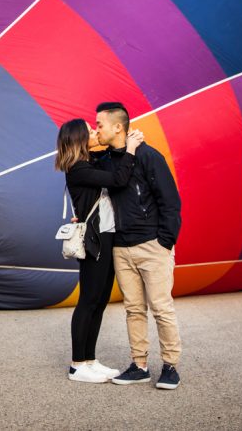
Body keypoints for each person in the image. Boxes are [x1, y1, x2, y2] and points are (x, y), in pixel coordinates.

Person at [92, 102, 183, 390]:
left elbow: (170, 201)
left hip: (152, 246)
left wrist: (164, 242)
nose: (97, 129)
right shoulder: (105, 161)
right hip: (121, 247)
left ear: (118, 127)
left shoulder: (148, 156)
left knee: (161, 308)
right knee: (133, 309)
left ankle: (170, 366)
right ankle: (139, 365)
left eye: (100, 124)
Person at [56, 118, 144, 384]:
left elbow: (107, 160)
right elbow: (118, 179)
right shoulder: (78, 167)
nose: (96, 133)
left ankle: (90, 360)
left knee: (100, 301)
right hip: (94, 240)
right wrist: (130, 148)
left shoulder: (89, 162)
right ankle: (77, 366)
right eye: (91, 130)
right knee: (88, 302)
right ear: (79, 138)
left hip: (106, 237)